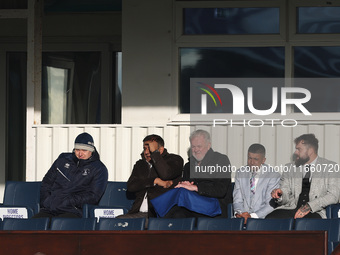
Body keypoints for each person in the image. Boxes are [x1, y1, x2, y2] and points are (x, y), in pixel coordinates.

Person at [33, 132, 108, 219]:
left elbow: (93, 196)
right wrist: (47, 201)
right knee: (33, 225)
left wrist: (69, 202)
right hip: (50, 208)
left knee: (60, 225)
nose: (80, 153)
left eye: (84, 150)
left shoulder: (99, 169)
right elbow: (47, 182)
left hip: (73, 211)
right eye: (77, 150)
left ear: (91, 151)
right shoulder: (62, 160)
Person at [266, 133, 340, 219]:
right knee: (270, 219)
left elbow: (333, 196)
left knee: (305, 223)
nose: (296, 152)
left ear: (310, 150)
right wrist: (280, 194)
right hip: (291, 209)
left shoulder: (331, 167)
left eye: (299, 149)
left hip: (315, 211)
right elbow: (285, 192)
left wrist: (309, 206)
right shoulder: (289, 168)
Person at [164, 129, 232, 218]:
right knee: (173, 212)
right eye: (193, 147)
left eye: (199, 146)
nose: (196, 150)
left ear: (208, 145)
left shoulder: (221, 160)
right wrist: (186, 185)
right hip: (192, 206)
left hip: (214, 208)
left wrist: (196, 187)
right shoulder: (188, 166)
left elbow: (220, 190)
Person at [118, 134, 184, 219]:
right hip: (139, 213)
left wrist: (155, 154)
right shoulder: (140, 164)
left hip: (161, 214)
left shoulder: (175, 160)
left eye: (150, 149)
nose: (146, 152)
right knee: (114, 223)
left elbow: (166, 174)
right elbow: (131, 186)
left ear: (161, 149)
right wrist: (154, 181)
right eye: (145, 148)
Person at [233, 143, 280, 224]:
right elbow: (237, 200)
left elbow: (271, 205)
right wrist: (240, 214)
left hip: (263, 220)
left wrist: (252, 217)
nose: (252, 162)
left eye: (256, 159)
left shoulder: (273, 175)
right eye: (249, 158)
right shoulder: (240, 173)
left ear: (263, 160)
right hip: (242, 218)